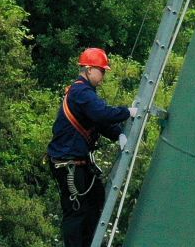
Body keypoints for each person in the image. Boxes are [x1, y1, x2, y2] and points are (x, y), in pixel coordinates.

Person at [47, 46, 142, 247]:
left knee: (96, 199)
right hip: (68, 162)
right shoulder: (81, 91)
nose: (103, 76)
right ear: (89, 69)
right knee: (76, 210)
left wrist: (118, 134)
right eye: (102, 71)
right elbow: (101, 114)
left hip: (77, 161)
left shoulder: (84, 92)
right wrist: (128, 112)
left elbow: (97, 121)